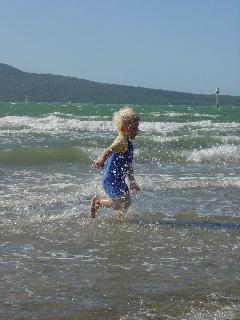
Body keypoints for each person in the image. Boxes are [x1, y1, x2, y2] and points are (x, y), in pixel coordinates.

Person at [90, 106, 140, 218]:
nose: (136, 131)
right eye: (133, 129)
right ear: (123, 129)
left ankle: (118, 219)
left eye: (137, 128)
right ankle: (97, 202)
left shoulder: (127, 143)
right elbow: (108, 150)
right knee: (119, 202)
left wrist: (132, 182)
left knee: (126, 202)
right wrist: (101, 160)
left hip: (118, 179)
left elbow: (128, 165)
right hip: (111, 179)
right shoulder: (121, 141)